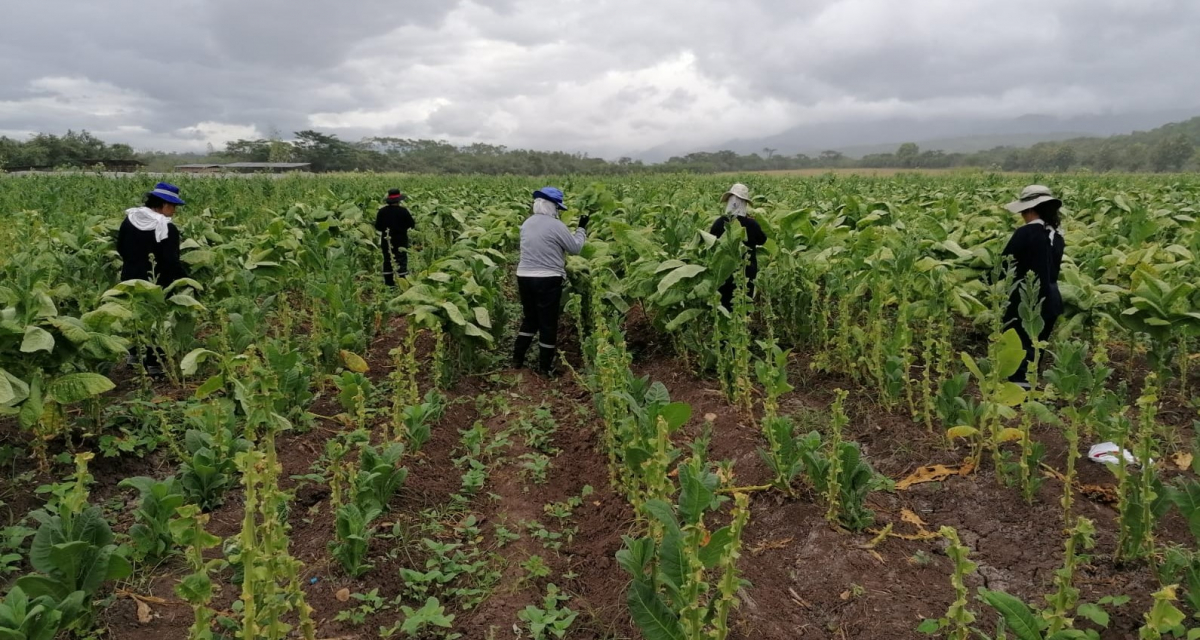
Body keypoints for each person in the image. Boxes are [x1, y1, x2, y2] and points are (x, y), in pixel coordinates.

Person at [513, 187, 587, 376]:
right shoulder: (556, 225)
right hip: (547, 278)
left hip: (524, 276)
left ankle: (517, 360)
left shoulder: (527, 223)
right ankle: (544, 368)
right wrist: (581, 228)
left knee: (530, 319)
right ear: (552, 206)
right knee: (547, 323)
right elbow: (575, 248)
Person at [117, 182, 188, 376]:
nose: (174, 211)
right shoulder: (166, 228)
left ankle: (133, 355)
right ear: (164, 204)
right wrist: (185, 279)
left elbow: (120, 248)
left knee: (135, 315)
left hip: (130, 277)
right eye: (173, 206)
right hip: (157, 281)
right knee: (158, 319)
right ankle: (154, 364)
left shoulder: (130, 219)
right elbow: (171, 260)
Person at [1000, 185, 1065, 386]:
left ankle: (1017, 391)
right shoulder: (1057, 235)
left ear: (1029, 209)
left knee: (1018, 347)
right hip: (1051, 299)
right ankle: (1029, 387)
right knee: (1035, 349)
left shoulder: (1027, 232)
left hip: (1026, 298)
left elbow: (1004, 265)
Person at [710, 183, 767, 310]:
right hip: (746, 270)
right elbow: (762, 240)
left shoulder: (719, 223)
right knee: (744, 302)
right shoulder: (752, 224)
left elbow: (711, 241)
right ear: (744, 204)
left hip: (724, 270)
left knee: (724, 304)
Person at [376, 188, 416, 286]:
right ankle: (403, 283)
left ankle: (389, 284)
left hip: (387, 240)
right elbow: (411, 224)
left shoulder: (382, 211)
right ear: (399, 200)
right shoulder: (403, 211)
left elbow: (378, 226)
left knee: (387, 260)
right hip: (401, 240)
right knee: (401, 260)